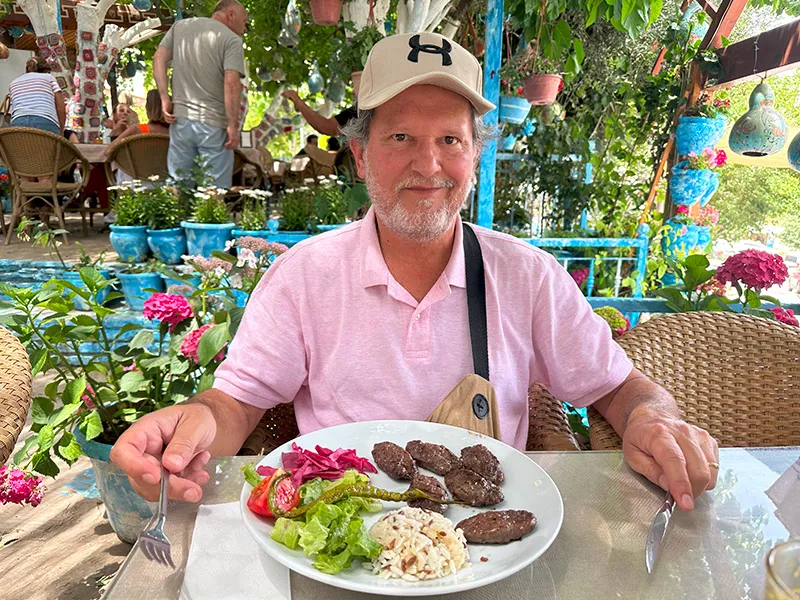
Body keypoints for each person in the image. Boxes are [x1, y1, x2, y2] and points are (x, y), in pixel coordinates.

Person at [111, 33, 719, 513]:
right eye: (400, 136)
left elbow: (618, 388)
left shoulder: (526, 276)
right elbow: (235, 406)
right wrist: (189, 429)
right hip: (345, 539)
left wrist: (653, 418)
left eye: (451, 140)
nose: (428, 165)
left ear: (474, 158)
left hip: (487, 543)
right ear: (359, 153)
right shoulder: (304, 277)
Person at [152, 0, 247, 188]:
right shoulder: (232, 40)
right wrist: (233, 125)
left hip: (180, 122)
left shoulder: (181, 27)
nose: (245, 28)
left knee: (178, 187)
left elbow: (159, 58)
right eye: (244, 21)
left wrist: (164, 97)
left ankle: (178, 217)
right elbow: (231, 82)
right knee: (214, 192)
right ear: (231, 15)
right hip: (213, 124)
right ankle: (211, 217)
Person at [8, 56, 66, 135]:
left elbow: (14, 108)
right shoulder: (49, 78)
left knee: (21, 147)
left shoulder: (13, 83)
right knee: (49, 147)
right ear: (46, 70)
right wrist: (61, 129)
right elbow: (60, 106)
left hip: (18, 122)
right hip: (45, 121)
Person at [105, 90, 170, 158]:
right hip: (167, 168)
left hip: (136, 168)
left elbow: (108, 152)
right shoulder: (173, 132)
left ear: (148, 108)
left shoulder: (139, 129)